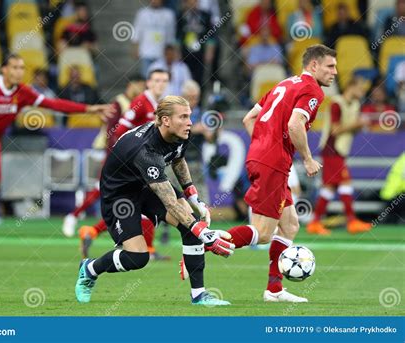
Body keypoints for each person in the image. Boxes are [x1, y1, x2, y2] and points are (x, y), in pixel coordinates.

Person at [183, 44, 337, 302]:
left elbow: (249, 119)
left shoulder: (284, 84)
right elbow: (295, 124)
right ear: (313, 66)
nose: (335, 72)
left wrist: (265, 146)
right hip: (274, 162)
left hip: (262, 157)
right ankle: (202, 243)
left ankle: (274, 290)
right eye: (330, 66)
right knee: (264, 232)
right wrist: (308, 159)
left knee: (289, 226)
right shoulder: (312, 90)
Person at [0, 53, 113, 260]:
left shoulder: (23, 93)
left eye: (22, 68)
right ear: (5, 70)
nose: (19, 72)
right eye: (15, 67)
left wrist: (89, 109)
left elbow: (53, 105)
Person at [74, 96, 235, 306]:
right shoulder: (145, 151)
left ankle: (199, 295)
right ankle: (90, 269)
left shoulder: (180, 133)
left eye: (189, 116)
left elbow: (178, 159)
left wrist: (193, 195)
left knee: (191, 224)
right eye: (184, 117)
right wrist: (204, 233)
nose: (190, 122)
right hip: (120, 195)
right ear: (166, 120)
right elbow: (170, 203)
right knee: (137, 258)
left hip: (146, 185)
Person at [63, 69, 170, 260]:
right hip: (132, 162)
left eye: (164, 80)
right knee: (145, 201)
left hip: (144, 162)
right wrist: (126, 156)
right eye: (157, 80)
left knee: (141, 202)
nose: (160, 84)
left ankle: (92, 231)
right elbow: (119, 130)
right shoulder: (140, 102)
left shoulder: (159, 105)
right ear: (148, 82)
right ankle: (147, 248)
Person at [307, 77, 372, 235]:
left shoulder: (355, 105)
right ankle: (351, 221)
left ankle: (315, 222)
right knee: (345, 182)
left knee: (330, 187)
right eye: (360, 89)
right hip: (331, 148)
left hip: (340, 150)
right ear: (351, 86)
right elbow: (335, 130)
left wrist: (359, 126)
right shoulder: (336, 103)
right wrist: (357, 124)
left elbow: (350, 130)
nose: (362, 93)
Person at [132, 0, 176, 77]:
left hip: (162, 53)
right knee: (146, 77)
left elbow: (171, 35)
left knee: (160, 77)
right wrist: (135, 48)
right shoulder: (142, 13)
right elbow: (137, 31)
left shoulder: (169, 14)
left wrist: (170, 51)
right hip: (145, 52)